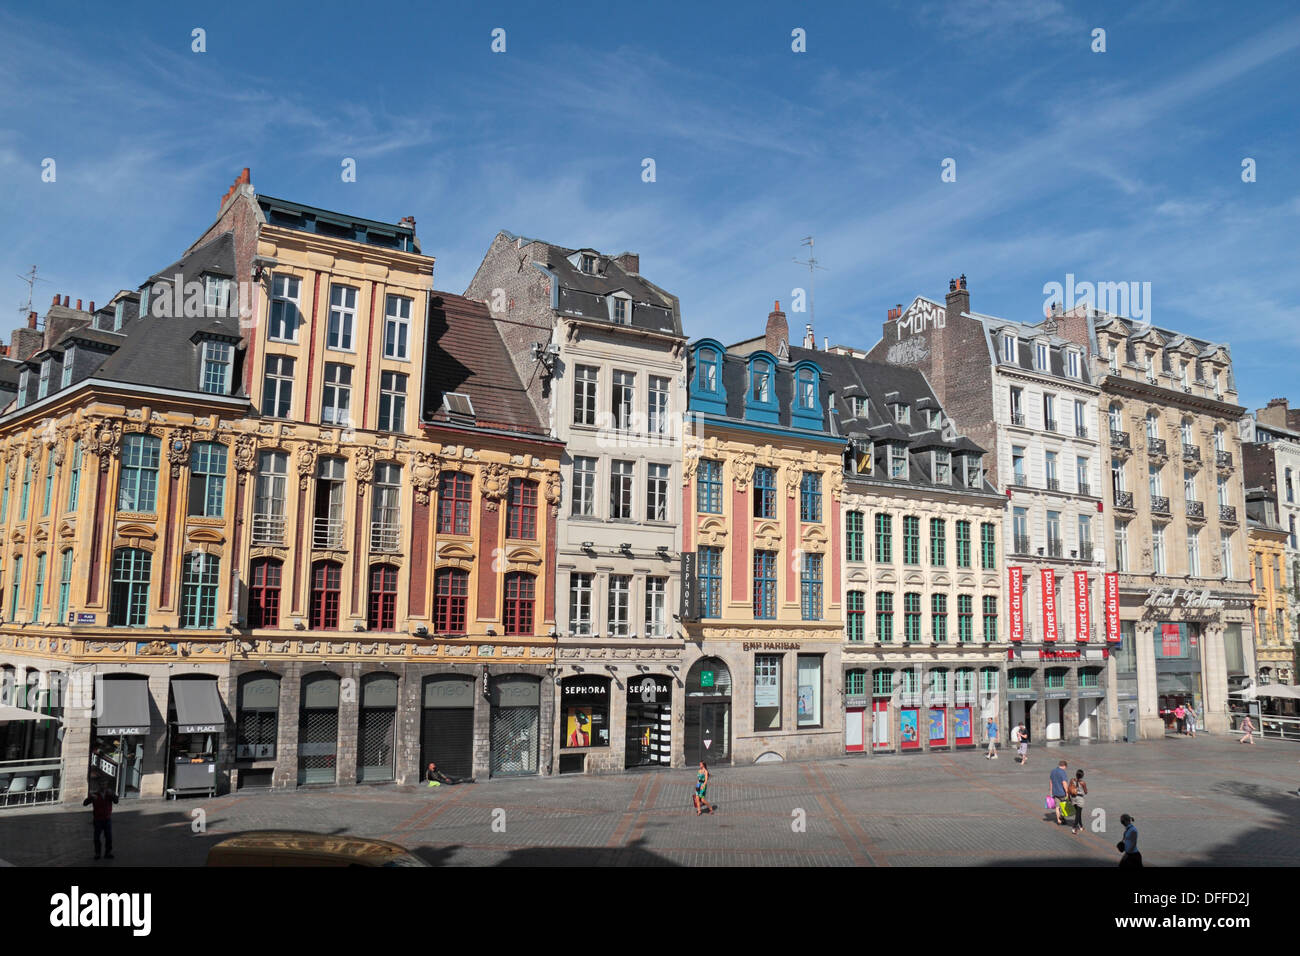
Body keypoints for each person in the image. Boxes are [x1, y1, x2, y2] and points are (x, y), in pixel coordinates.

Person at [83, 778, 118, 860]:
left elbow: (116, 801)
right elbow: (85, 803)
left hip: (107, 819)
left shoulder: (109, 793)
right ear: (99, 785)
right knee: (96, 838)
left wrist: (112, 795)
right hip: (98, 819)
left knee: (109, 837)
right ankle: (97, 853)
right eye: (101, 784)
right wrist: (90, 798)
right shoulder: (95, 794)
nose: (103, 786)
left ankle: (108, 852)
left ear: (106, 785)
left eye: (104, 784)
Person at [1049, 759, 1070, 826]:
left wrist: (1051, 791)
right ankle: (1062, 818)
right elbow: (1064, 782)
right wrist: (1067, 792)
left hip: (1055, 792)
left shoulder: (1053, 771)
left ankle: (1058, 820)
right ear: (1064, 766)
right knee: (1064, 806)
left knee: (1057, 807)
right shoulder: (1062, 772)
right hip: (1062, 793)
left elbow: (1051, 782)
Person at [1069, 769, 1089, 834]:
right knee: (1078, 814)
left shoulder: (1072, 780)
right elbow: (1086, 792)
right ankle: (1074, 828)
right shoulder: (1082, 783)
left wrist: (1069, 797)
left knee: (1078, 813)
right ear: (1082, 776)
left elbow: (1069, 788)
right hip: (1080, 798)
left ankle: (1081, 826)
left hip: (1073, 797)